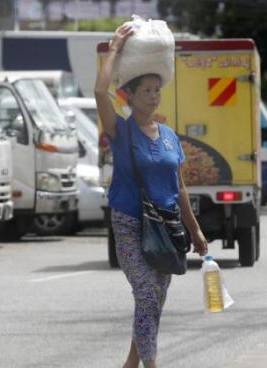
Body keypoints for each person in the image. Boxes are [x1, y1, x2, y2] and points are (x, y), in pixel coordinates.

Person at [94, 24, 209, 368]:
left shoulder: (170, 137)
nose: (155, 96)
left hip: (167, 228)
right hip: (129, 224)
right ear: (130, 95)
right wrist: (114, 48)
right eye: (147, 90)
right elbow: (101, 92)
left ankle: (130, 365)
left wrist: (195, 230)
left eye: (157, 90)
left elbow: (180, 187)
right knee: (146, 294)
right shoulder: (121, 130)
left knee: (154, 301)